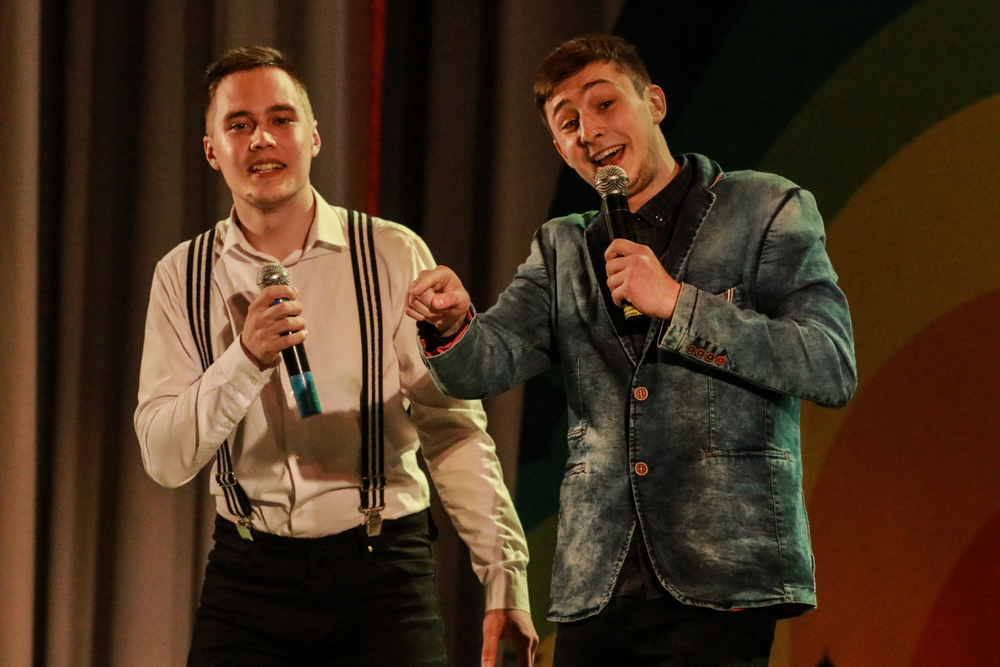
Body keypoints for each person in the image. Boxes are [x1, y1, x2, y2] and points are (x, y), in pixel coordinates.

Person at [407, 35, 857, 667]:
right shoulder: (562, 247)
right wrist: (453, 323)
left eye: (605, 104)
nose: (590, 131)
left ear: (655, 103)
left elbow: (828, 363)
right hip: (599, 579)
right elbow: (485, 362)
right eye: (568, 122)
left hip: (723, 574)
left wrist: (678, 303)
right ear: (559, 147)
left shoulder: (764, 207)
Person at [134, 46, 537, 667]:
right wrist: (244, 359)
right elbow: (164, 458)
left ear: (314, 137)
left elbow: (453, 427)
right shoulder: (182, 275)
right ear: (212, 150)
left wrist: (504, 577)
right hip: (248, 574)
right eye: (239, 124)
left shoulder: (390, 253)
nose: (262, 138)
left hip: (382, 573)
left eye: (281, 119)